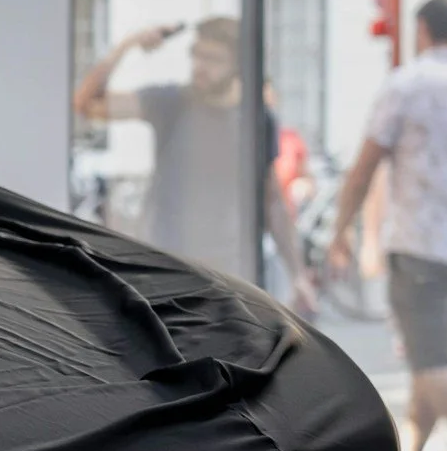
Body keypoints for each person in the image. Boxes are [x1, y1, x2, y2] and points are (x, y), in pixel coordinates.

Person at [329, 0, 447, 451]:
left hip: (419, 247)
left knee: (435, 367)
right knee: (426, 365)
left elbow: (365, 166)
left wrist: (340, 231)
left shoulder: (406, 85)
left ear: (420, 30)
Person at [73, 16, 297, 283]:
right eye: (196, 55)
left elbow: (272, 199)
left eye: (213, 59)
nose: (199, 66)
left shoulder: (257, 119)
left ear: (238, 65)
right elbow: (87, 104)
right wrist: (129, 45)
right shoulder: (171, 102)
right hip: (165, 262)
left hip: (229, 269)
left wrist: (299, 274)